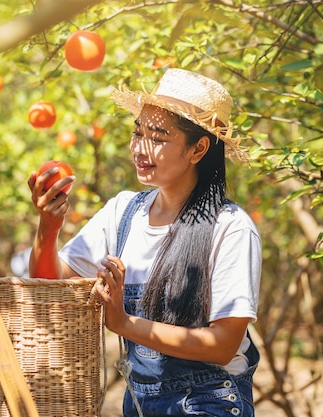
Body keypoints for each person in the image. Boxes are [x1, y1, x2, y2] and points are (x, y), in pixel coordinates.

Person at [28, 68, 262, 417]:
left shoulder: (229, 227)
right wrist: (48, 227)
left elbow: (222, 346)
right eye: (137, 133)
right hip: (139, 404)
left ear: (198, 149)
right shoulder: (123, 212)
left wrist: (124, 324)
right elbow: (50, 288)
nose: (139, 148)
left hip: (207, 405)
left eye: (158, 137)